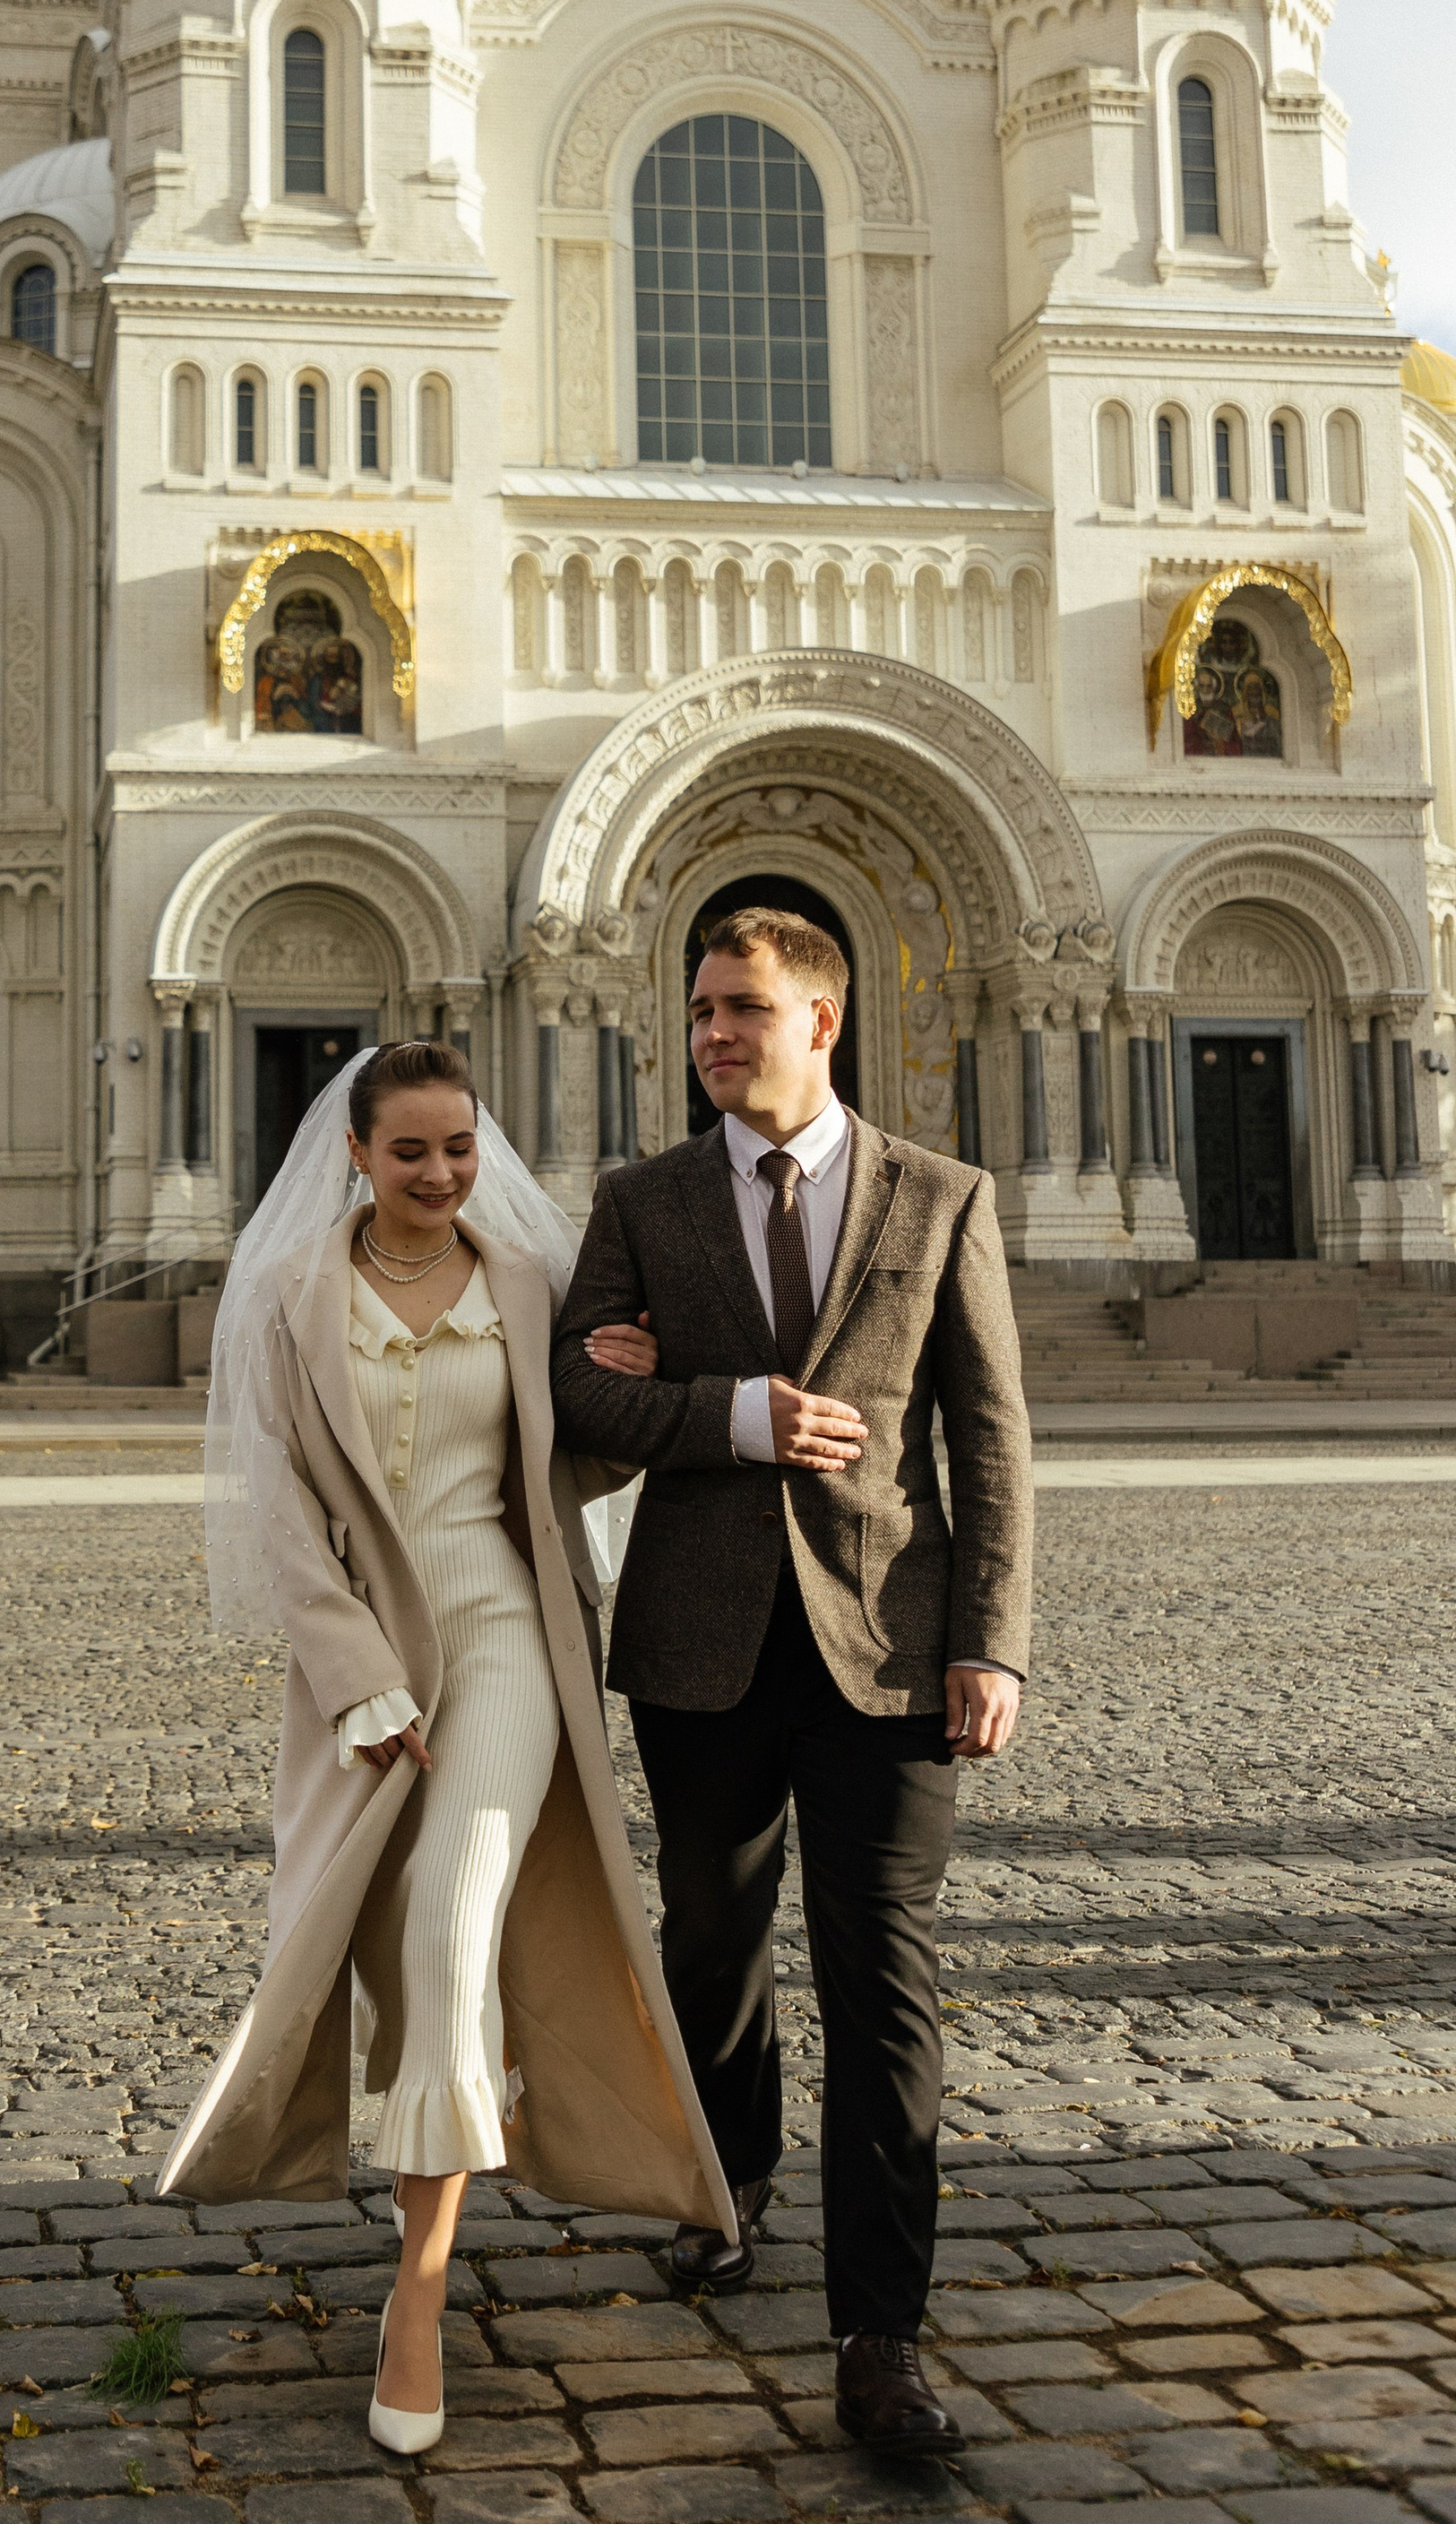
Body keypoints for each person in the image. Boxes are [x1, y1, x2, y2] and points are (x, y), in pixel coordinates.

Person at [162, 1039, 734, 2457]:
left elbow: (567, 1462)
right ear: (354, 1153)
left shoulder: (529, 1282)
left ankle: (414, 2296)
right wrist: (357, 1681)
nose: (440, 1175)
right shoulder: (292, 1298)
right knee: (376, 1947)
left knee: (449, 1924)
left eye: (460, 1148)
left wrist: (623, 1388)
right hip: (368, 1663)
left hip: (506, 1638)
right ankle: (407, 2213)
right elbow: (290, 1525)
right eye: (411, 1150)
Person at [551, 906, 1033, 2457]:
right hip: (699, 1645)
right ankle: (729, 2173)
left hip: (891, 1650)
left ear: (825, 1020)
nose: (712, 1034)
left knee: (881, 1979)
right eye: (699, 1010)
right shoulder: (639, 1199)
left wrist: (991, 1638)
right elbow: (576, 1389)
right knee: (711, 1940)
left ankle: (881, 2338)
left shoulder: (942, 1197)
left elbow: (991, 1438)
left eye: (743, 1009)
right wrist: (731, 1419)